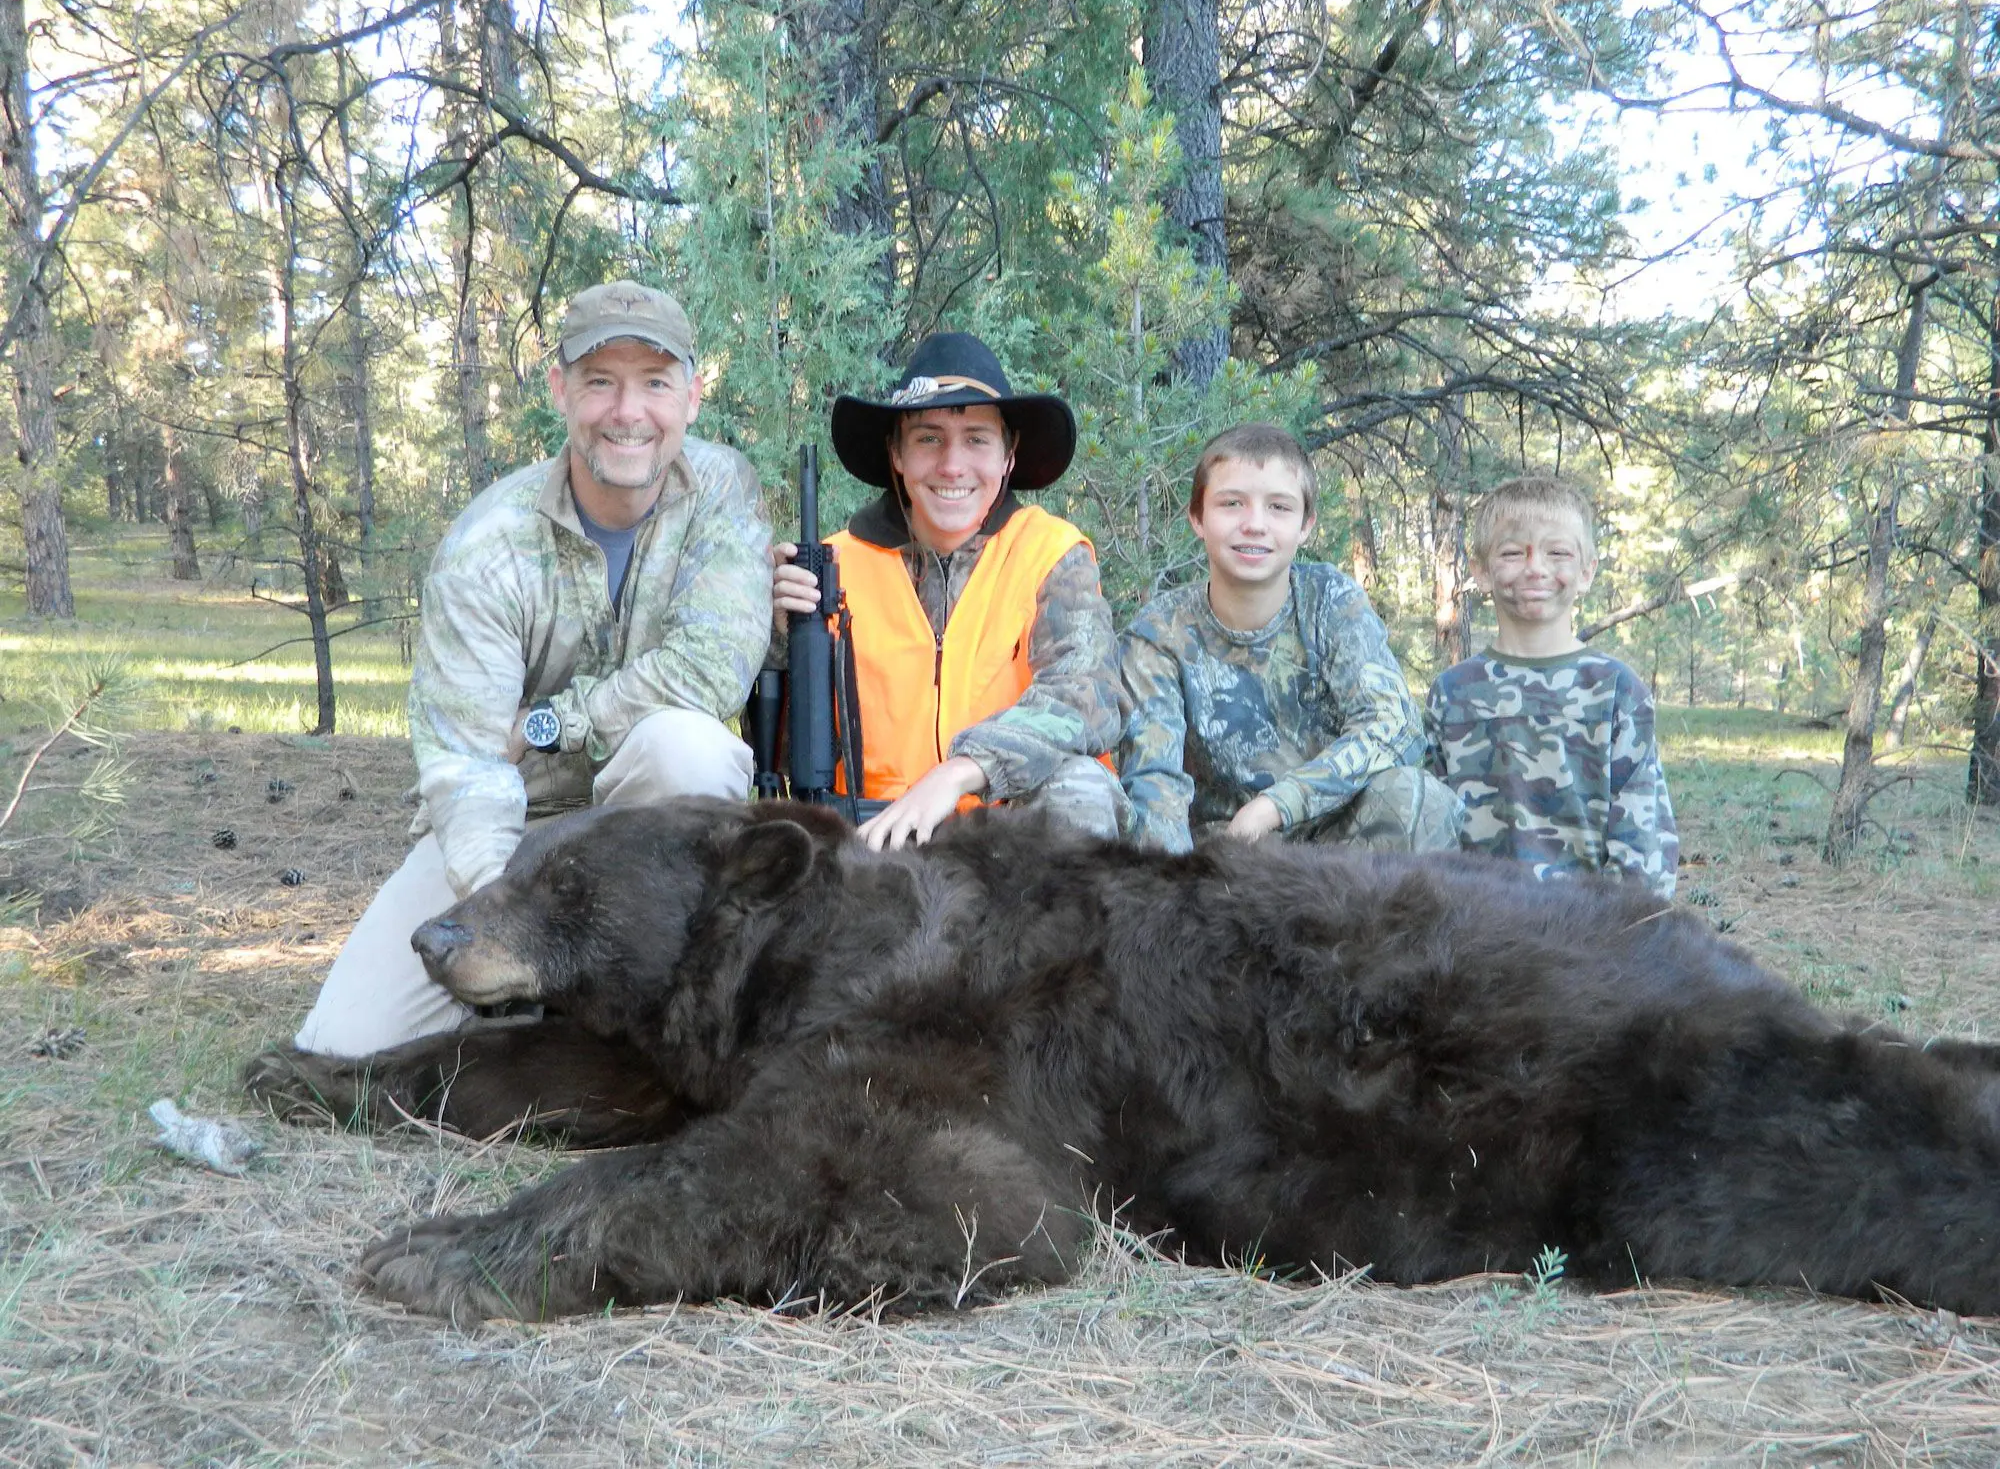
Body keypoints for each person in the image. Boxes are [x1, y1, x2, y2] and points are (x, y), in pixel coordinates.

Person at [295, 281, 772, 1057]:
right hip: (519, 827)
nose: (628, 412)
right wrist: (511, 913)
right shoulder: (486, 547)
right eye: (600, 382)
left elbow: (710, 671)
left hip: (644, 812)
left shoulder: (722, 489)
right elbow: (468, 767)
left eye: (654, 383)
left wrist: (553, 723)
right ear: (560, 390)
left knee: (692, 747)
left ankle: (669, 1014)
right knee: (345, 1046)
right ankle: (551, 1001)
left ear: (691, 394)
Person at [769, 332, 1124, 850]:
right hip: (873, 838)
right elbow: (778, 758)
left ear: (1008, 455)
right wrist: (782, 639)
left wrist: (959, 773)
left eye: (977, 438)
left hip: (1006, 839)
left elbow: (1084, 697)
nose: (952, 465)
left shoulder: (1051, 553)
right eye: (929, 438)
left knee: (1083, 789)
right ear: (897, 453)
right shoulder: (830, 568)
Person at [1118, 422, 1460, 853]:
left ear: (1306, 525)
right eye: (1231, 504)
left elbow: (1393, 726)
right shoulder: (1159, 633)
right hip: (1221, 854)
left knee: (1418, 798)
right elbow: (1154, 782)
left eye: (1278, 507)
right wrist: (1173, 889)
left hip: (1334, 839)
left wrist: (1275, 805)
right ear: (1197, 519)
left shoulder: (1330, 602)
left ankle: (1389, 923)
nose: (1254, 524)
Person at [1425, 475, 1679, 898]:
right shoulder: (1452, 693)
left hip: (1587, 936)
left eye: (1557, 552)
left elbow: (1644, 855)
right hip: (1476, 931)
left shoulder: (1616, 690)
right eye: (1512, 552)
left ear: (1586, 572)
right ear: (1481, 573)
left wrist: (1611, 935)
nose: (1535, 568)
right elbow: (1432, 837)